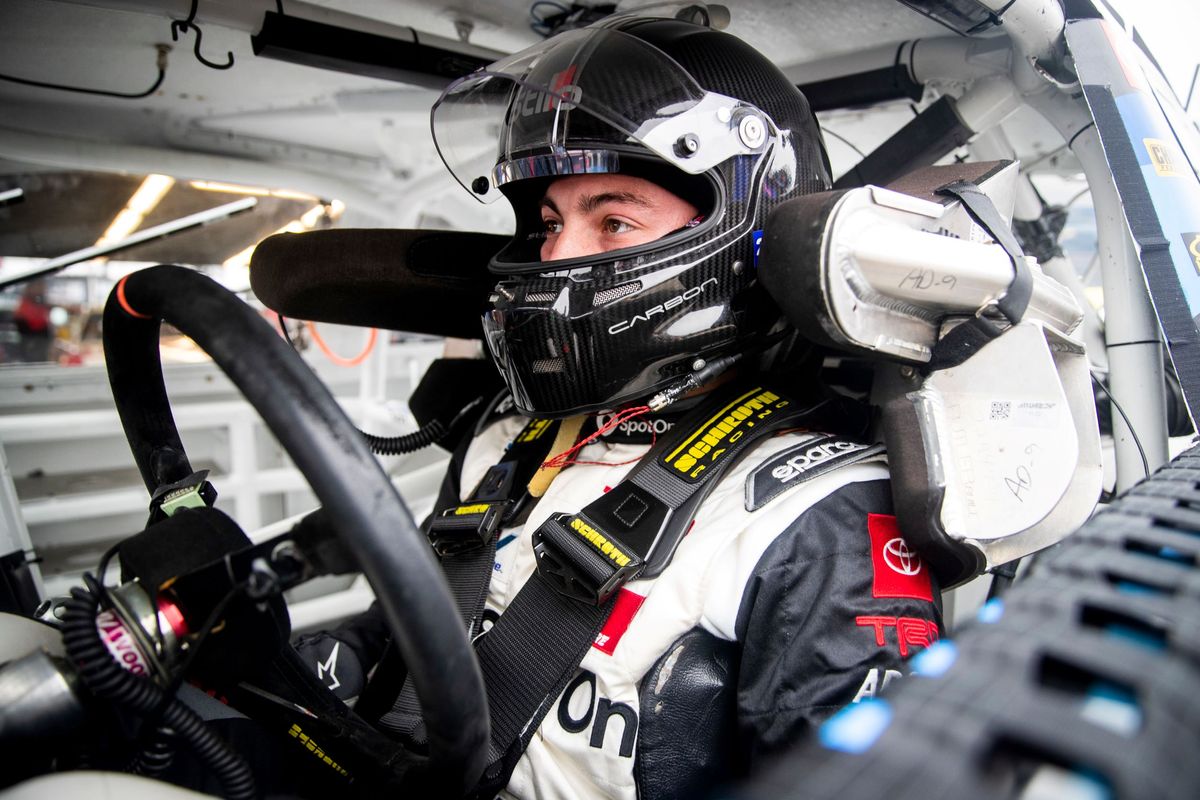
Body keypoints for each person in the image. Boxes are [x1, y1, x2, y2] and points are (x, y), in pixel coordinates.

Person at [297, 9, 944, 799]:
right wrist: (347, 654)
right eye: (549, 223)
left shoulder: (811, 516)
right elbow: (427, 619)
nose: (557, 257)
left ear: (743, 237)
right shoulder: (506, 435)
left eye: (612, 220)